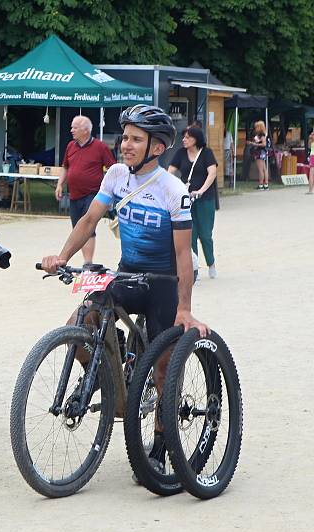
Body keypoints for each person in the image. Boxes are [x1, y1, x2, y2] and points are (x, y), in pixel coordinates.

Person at [41, 104, 208, 474]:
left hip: (164, 282)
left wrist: (184, 307)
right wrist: (62, 256)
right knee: (81, 322)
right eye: (125, 138)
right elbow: (89, 219)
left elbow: (184, 255)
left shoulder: (173, 190)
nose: (125, 146)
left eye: (135, 139)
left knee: (164, 367)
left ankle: (162, 443)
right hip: (129, 272)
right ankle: (116, 375)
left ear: (157, 147)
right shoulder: (116, 175)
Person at [54, 115, 115, 265]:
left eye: (75, 127)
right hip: (74, 194)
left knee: (88, 225)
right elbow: (65, 166)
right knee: (77, 228)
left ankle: (88, 262)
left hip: (93, 194)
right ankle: (85, 260)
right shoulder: (70, 146)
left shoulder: (100, 147)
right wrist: (60, 184)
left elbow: (112, 169)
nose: (71, 130)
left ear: (86, 130)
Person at [168, 126, 218, 279]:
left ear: (196, 139)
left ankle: (211, 263)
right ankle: (193, 268)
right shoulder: (180, 153)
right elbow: (169, 172)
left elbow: (212, 173)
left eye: (187, 137)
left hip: (205, 199)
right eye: (183, 137)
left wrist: (201, 190)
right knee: (190, 234)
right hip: (186, 199)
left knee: (205, 234)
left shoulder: (206, 153)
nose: (184, 140)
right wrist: (177, 186)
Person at [251, 120, 269, 190]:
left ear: (259, 127)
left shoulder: (262, 135)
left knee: (260, 169)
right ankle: (266, 184)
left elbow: (264, 144)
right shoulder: (263, 134)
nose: (255, 129)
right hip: (263, 152)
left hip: (260, 152)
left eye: (256, 127)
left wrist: (255, 144)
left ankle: (261, 184)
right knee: (264, 169)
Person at [307, 131, 314, 195]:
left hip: (313, 155)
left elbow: (309, 146)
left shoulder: (312, 135)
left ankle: (310, 190)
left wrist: (310, 139)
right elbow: (309, 146)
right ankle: (310, 190)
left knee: (311, 173)